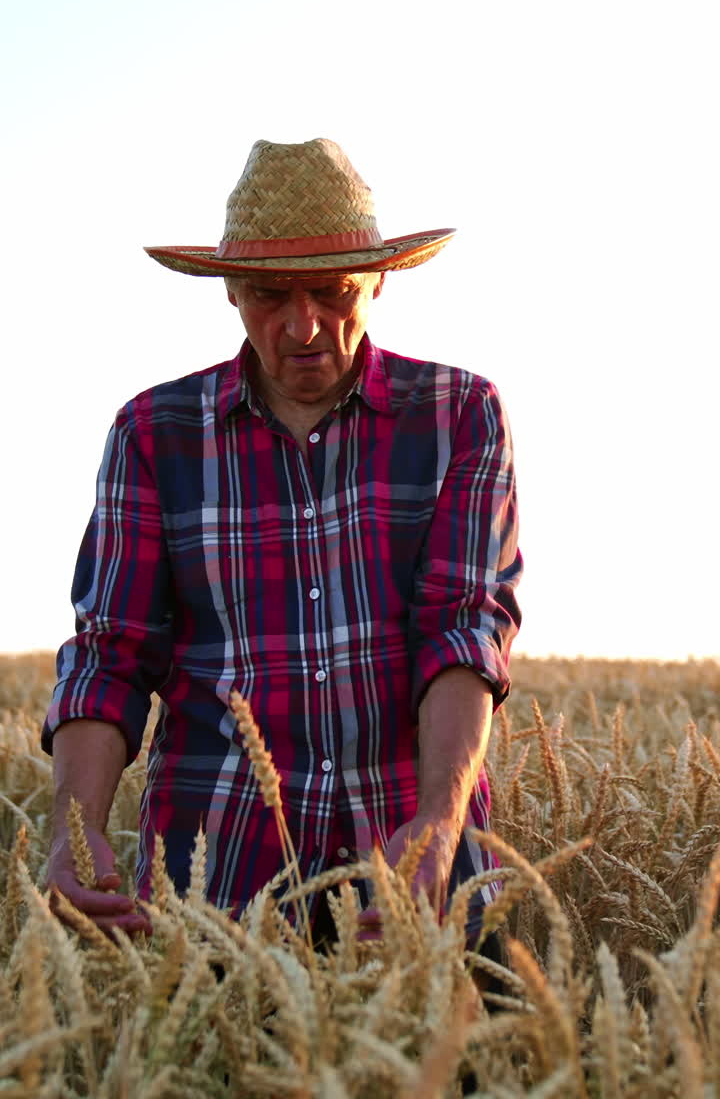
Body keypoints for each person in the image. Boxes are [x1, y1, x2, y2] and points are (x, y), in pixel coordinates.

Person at [42, 137, 522, 947]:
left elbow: (463, 629)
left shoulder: (457, 415)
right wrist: (70, 826)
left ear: (376, 279)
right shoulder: (154, 434)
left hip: (417, 876)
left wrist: (442, 821)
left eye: (333, 290)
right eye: (269, 293)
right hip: (219, 884)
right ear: (230, 290)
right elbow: (109, 653)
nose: (304, 325)